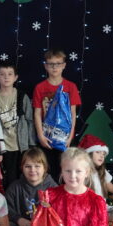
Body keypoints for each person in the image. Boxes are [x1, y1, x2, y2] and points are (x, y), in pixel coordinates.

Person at [0, 61, 37, 188]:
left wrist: (31, 145)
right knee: (9, 180)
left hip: (22, 146)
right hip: (5, 148)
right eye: (2, 74)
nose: (6, 77)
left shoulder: (22, 96)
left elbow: (30, 121)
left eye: (10, 74)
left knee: (25, 178)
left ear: (15, 77)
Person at [33, 49, 82, 181]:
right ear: (45, 66)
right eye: (51, 64)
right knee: (47, 171)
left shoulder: (70, 86)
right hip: (47, 137)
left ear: (64, 65)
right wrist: (41, 136)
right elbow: (37, 113)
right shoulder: (40, 87)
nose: (54, 67)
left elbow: (73, 113)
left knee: (66, 171)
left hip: (64, 137)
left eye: (58, 63)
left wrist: (70, 136)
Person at [3, 148, 58, 226]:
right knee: (4, 224)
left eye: (37, 166)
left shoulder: (53, 188)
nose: (32, 170)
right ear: (22, 168)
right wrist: (19, 219)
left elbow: (58, 213)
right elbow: (5, 208)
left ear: (45, 168)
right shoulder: (15, 187)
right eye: (28, 166)